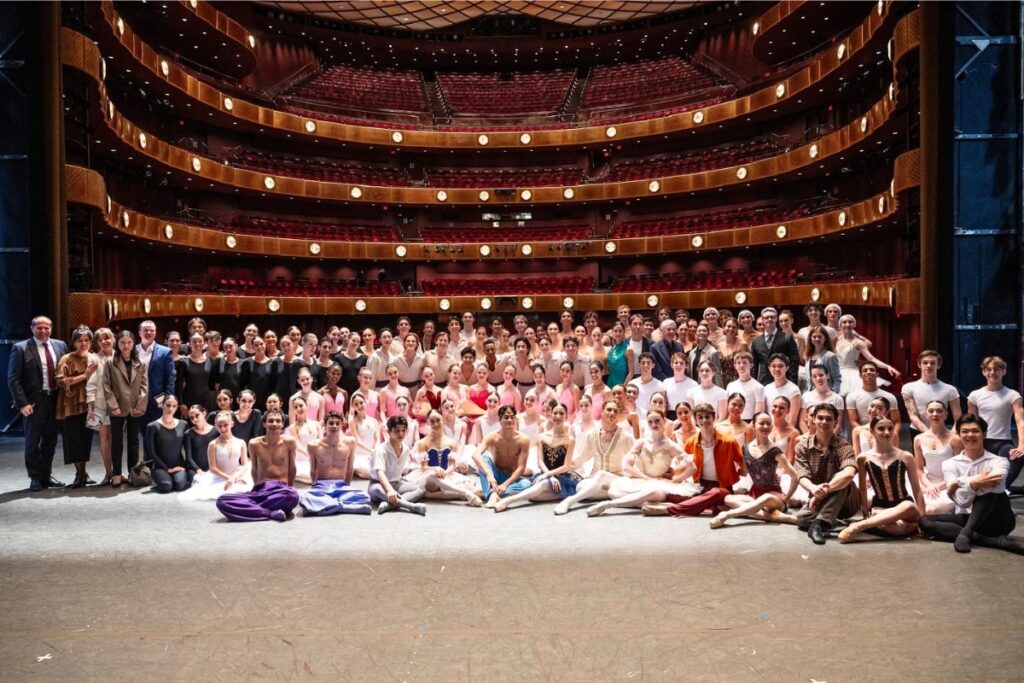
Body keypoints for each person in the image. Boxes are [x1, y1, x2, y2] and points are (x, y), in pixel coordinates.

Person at [917, 415, 1024, 554]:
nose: (970, 435)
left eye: (975, 431)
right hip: (968, 517)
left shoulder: (999, 461)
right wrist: (974, 484)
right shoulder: (950, 464)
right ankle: (991, 541)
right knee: (925, 521)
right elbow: (962, 502)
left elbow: (995, 483)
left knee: (988, 489)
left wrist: (961, 482)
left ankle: (966, 534)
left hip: (999, 521)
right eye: (965, 431)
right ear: (959, 435)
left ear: (984, 434)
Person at [586, 409, 701, 517]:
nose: (654, 424)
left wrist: (675, 480)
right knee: (612, 492)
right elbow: (626, 466)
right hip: (643, 480)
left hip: (659, 484)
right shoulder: (641, 442)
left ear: (664, 421)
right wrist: (645, 477)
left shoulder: (670, 445)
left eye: (657, 421)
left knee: (655, 492)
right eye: (650, 422)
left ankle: (607, 505)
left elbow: (692, 468)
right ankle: (646, 504)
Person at [838, 416, 925, 543]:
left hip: (905, 506)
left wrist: (923, 520)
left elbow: (917, 490)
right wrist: (864, 510)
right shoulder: (863, 458)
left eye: (890, 428)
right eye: (881, 429)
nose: (887, 432)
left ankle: (858, 526)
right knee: (895, 529)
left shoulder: (906, 456)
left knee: (908, 506)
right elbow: (862, 489)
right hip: (880, 506)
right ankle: (899, 526)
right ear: (872, 431)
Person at [709, 413, 799, 528]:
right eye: (761, 423)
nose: (765, 426)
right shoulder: (745, 448)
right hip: (754, 494)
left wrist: (786, 498)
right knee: (728, 499)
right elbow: (744, 472)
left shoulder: (775, 451)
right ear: (754, 425)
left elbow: (794, 476)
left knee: (765, 498)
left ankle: (727, 515)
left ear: (771, 427)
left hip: (773, 496)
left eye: (768, 423)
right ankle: (772, 516)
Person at [657, 403, 746, 517]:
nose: (704, 420)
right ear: (696, 420)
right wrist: (671, 474)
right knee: (670, 494)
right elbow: (686, 467)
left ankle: (670, 509)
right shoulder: (690, 442)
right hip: (700, 486)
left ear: (713, 418)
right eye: (700, 417)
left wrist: (734, 473)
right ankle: (707, 504)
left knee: (717, 493)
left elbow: (741, 464)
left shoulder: (729, 441)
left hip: (722, 487)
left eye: (707, 416)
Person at [553, 399, 637, 515]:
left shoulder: (626, 436)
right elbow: (578, 459)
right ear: (602, 412)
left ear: (618, 415)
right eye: (608, 410)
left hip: (616, 479)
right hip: (595, 482)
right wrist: (555, 470)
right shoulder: (591, 435)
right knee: (581, 486)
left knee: (602, 475)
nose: (611, 413)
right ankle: (610, 494)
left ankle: (569, 501)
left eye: (615, 411)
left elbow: (637, 460)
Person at [216, 409, 300, 522]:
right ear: (264, 423)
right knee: (222, 501)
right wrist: (256, 492)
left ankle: (255, 509)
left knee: (293, 495)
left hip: (281, 490)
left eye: (277, 421)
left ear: (282, 424)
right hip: (261, 490)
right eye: (270, 421)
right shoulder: (254, 444)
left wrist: (288, 488)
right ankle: (270, 512)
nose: (274, 424)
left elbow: (292, 468)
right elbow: (254, 470)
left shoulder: (289, 442)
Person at [792, 403, 859, 545]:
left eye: (828, 419)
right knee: (802, 519)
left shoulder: (843, 445)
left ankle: (817, 526)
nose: (824, 422)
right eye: (820, 418)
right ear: (813, 420)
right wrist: (813, 489)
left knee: (843, 480)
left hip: (846, 500)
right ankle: (828, 521)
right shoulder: (802, 446)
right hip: (820, 498)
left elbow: (849, 473)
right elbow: (802, 475)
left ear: (835, 422)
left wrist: (825, 489)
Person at [967, 355, 1024, 493]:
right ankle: (994, 491)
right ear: (983, 372)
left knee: (1018, 457)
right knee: (982, 472)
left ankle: (1002, 489)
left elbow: (1020, 421)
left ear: (1003, 371)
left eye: (997, 369)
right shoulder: (975, 395)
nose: (992, 372)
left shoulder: (1012, 395)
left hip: (1003, 441)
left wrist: (1022, 445)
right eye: (989, 369)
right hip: (982, 440)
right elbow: (971, 422)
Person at [299, 411, 372, 516]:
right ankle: (345, 506)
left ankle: (328, 505)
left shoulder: (350, 443)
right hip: (321, 486)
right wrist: (315, 488)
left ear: (342, 425)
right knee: (305, 499)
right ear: (325, 425)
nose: (334, 426)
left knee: (364, 496)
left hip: (340, 486)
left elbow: (350, 467)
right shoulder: (313, 445)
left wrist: (347, 487)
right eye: (331, 423)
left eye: (337, 423)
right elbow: (313, 470)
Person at [409, 410, 483, 506]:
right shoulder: (422, 443)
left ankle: (431, 495)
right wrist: (435, 469)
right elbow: (424, 467)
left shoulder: (451, 442)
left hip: (447, 474)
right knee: (433, 477)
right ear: (428, 423)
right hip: (429, 476)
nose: (435, 424)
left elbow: (453, 465)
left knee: (480, 492)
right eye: (432, 421)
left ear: (443, 420)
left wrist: (445, 473)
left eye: (438, 420)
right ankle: (464, 493)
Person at [56, 325, 99, 488]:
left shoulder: (94, 358)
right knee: (73, 440)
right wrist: (84, 376)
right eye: (80, 340)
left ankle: (84, 473)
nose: (83, 343)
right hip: (71, 403)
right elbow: (60, 380)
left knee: (86, 439)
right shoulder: (67, 359)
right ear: (74, 342)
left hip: (90, 404)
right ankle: (79, 474)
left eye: (87, 340)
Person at [471, 405, 533, 508]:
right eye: (506, 417)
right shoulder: (492, 437)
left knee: (526, 483)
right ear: (500, 419)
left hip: (511, 477)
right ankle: (492, 493)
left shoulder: (523, 439)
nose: (510, 420)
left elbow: (521, 468)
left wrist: (505, 484)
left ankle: (493, 493)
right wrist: (490, 475)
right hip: (495, 473)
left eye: (512, 417)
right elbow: (475, 454)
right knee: (484, 457)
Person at [182, 411, 252, 500]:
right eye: (219, 426)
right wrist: (229, 478)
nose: (222, 428)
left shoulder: (241, 442)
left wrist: (234, 478)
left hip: (237, 475)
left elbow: (244, 464)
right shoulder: (213, 444)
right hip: (219, 478)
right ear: (215, 426)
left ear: (232, 424)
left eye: (225, 425)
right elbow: (213, 468)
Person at [368, 416, 427, 515]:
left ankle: (389, 504)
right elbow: (380, 472)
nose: (401, 434)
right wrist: (390, 490)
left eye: (403, 430)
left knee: (421, 489)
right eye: (397, 431)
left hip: (396, 484)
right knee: (376, 490)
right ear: (389, 431)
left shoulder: (406, 449)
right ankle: (410, 506)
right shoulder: (381, 449)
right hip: (379, 484)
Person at [914, 400, 963, 515]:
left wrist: (938, 487)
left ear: (946, 415)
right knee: (913, 507)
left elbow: (960, 469)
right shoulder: (918, 439)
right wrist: (929, 485)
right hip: (927, 484)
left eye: (939, 411)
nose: (935, 414)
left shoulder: (955, 439)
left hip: (950, 484)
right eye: (931, 411)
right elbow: (919, 469)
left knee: (930, 510)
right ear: (926, 414)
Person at [835, 314, 900, 395]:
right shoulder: (836, 340)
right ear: (840, 324)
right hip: (837, 372)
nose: (847, 324)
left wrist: (887, 366)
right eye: (844, 322)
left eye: (850, 322)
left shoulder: (858, 342)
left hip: (852, 374)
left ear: (854, 324)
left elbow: (871, 359)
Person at [902, 350, 961, 438]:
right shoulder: (908, 388)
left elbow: (958, 417)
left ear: (938, 365)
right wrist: (929, 434)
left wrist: (952, 434)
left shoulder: (950, 390)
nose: (929, 366)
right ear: (919, 365)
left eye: (933, 363)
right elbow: (913, 415)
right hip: (918, 431)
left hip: (942, 431)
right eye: (925, 363)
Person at [143, 395, 194, 493]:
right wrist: (168, 469)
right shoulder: (152, 426)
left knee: (180, 485)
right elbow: (151, 452)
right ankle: (161, 477)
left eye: (174, 406)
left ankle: (171, 477)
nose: (171, 408)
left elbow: (187, 448)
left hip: (178, 465)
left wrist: (187, 466)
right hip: (160, 466)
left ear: (177, 407)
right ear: (162, 405)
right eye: (168, 405)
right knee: (167, 486)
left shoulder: (183, 424)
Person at [86, 328, 116, 486]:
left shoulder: (122, 356)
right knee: (104, 438)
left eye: (107, 338)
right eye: (100, 339)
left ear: (113, 340)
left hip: (121, 405)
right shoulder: (94, 359)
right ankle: (108, 473)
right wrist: (90, 408)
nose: (104, 341)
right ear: (97, 343)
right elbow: (90, 385)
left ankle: (118, 473)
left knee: (117, 439)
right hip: (101, 404)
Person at [135, 320, 176, 424]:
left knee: (157, 431)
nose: (149, 332)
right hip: (136, 399)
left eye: (151, 330)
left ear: (155, 332)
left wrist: (168, 399)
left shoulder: (165, 352)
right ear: (139, 332)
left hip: (158, 399)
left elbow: (170, 378)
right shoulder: (133, 351)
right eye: (145, 330)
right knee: (140, 432)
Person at [845, 361, 901, 434]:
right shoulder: (852, 397)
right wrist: (867, 435)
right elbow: (853, 421)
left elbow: (896, 422)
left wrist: (893, 436)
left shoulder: (889, 396)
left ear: (877, 374)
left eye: (872, 370)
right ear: (860, 375)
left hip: (884, 434)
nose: (868, 372)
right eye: (865, 370)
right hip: (862, 434)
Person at [750, 307, 799, 385]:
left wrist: (793, 383)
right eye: (766, 317)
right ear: (762, 320)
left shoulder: (787, 338)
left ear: (776, 319)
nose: (769, 319)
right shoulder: (756, 341)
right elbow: (754, 367)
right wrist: (753, 384)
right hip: (763, 382)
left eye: (772, 317)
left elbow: (794, 362)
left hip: (783, 381)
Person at [175, 333, 216, 418]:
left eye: (200, 341)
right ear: (189, 343)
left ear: (204, 343)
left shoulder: (210, 361)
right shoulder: (183, 362)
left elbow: (212, 385)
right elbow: (178, 385)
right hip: (188, 401)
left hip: (206, 401)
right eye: (194, 341)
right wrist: (181, 403)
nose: (197, 344)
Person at [286, 395, 322, 484]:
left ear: (306, 405)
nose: (299, 408)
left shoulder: (317, 424)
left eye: (301, 405)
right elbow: (297, 445)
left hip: (317, 456)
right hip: (302, 457)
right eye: (296, 407)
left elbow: (321, 441)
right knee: (312, 477)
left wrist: (318, 455)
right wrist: (309, 456)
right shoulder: (293, 427)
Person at [800, 364, 845, 434]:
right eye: (815, 376)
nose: (818, 378)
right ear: (812, 379)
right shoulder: (805, 396)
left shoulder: (837, 398)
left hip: (830, 437)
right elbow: (802, 421)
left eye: (821, 375)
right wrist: (809, 439)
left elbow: (838, 424)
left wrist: (828, 440)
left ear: (827, 376)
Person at [349, 392, 382, 478]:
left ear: (365, 402)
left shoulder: (374, 421)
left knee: (381, 469)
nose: (359, 406)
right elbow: (358, 442)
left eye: (361, 403)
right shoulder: (353, 422)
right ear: (353, 407)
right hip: (360, 454)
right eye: (356, 404)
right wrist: (371, 451)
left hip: (373, 452)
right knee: (368, 473)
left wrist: (376, 449)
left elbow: (377, 438)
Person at [763, 354, 802, 426]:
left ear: (787, 368)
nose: (777, 369)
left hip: (785, 431)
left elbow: (792, 420)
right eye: (773, 366)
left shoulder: (794, 390)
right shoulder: (766, 388)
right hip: (769, 429)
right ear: (769, 368)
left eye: (780, 366)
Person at [239, 337, 277, 411]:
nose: (259, 347)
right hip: (251, 400)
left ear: (265, 344)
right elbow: (243, 384)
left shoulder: (272, 363)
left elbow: (274, 384)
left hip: (267, 400)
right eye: (256, 345)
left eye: (261, 344)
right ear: (252, 347)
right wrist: (249, 399)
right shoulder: (247, 362)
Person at [801, 325, 841, 394]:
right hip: (811, 393)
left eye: (819, 336)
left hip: (826, 394)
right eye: (814, 337)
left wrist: (833, 393)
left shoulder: (830, 356)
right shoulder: (807, 356)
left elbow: (836, 378)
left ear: (825, 339)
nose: (817, 339)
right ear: (810, 339)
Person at [725, 351, 764, 421]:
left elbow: (759, 414)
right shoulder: (730, 386)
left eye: (744, 362)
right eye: (738, 363)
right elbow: (727, 409)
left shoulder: (758, 387)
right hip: (732, 423)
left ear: (751, 365)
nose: (741, 365)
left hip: (749, 423)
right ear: (735, 366)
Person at [661, 352, 698, 418]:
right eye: (676, 363)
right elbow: (664, 404)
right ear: (671, 365)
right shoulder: (666, 382)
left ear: (686, 365)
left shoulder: (693, 384)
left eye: (681, 363)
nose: (678, 365)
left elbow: (694, 406)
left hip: (686, 415)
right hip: (669, 416)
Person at [184, 405, 218, 474]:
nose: (195, 419)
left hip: (213, 467)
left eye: (197, 415)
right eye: (192, 418)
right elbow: (189, 457)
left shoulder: (216, 431)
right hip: (194, 469)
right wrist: (198, 470)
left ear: (204, 413)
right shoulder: (188, 433)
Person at [628, 352, 661, 418]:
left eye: (648, 363)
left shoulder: (660, 385)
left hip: (652, 420)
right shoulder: (632, 384)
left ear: (653, 365)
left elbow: (663, 406)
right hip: (635, 419)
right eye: (643, 363)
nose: (646, 365)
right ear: (639, 365)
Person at [604, 322, 632, 388]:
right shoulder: (612, 347)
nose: (618, 333)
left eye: (620, 331)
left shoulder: (628, 349)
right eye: (615, 331)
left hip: (621, 384)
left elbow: (631, 373)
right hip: (610, 382)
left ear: (624, 332)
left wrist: (624, 387)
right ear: (612, 333)